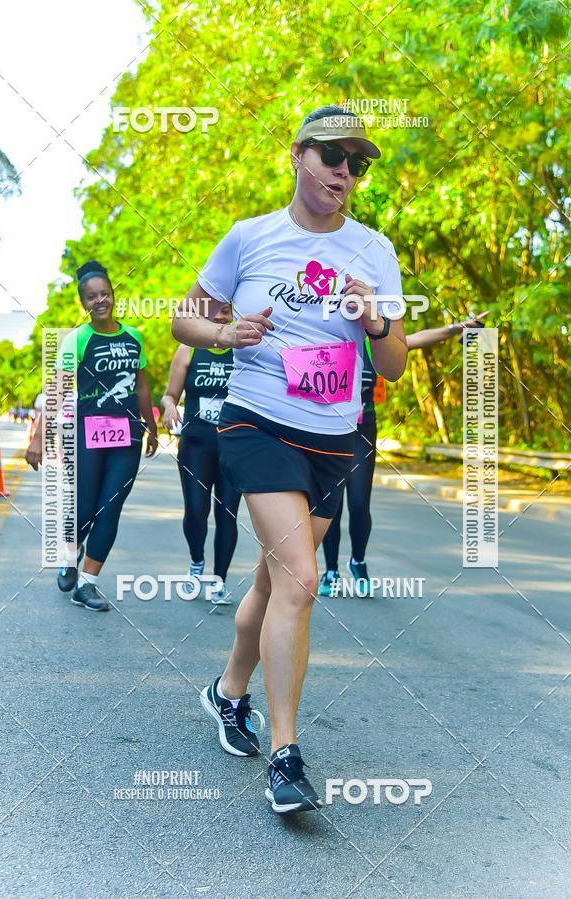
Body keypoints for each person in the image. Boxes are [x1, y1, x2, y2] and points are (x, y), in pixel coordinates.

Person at [172, 105, 407, 814]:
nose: (345, 172)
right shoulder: (250, 238)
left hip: (333, 440)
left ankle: (226, 692)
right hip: (258, 424)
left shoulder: (375, 250)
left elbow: (392, 363)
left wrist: (376, 322)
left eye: (358, 164)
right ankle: (285, 755)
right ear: (299, 154)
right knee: (303, 578)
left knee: (275, 584)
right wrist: (224, 331)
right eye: (334, 156)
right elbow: (184, 317)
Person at [319, 313, 489, 596]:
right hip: (328, 430)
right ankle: (331, 571)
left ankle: (358, 562)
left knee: (359, 504)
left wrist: (458, 328)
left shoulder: (376, 344)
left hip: (362, 431)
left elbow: (414, 340)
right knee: (332, 506)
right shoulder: (328, 341)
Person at [25, 260, 157, 611]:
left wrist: (152, 426)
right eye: (92, 297)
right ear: (84, 302)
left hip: (127, 435)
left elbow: (141, 385)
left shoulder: (134, 338)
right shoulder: (77, 340)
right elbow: (55, 390)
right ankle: (71, 555)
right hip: (89, 435)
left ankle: (88, 583)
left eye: (105, 294)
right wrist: (38, 438)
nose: (100, 301)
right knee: (85, 506)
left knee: (111, 507)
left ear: (114, 295)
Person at [162, 302, 239, 606]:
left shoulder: (244, 350)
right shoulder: (188, 348)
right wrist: (169, 407)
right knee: (196, 510)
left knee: (227, 513)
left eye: (226, 311)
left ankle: (219, 580)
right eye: (214, 311)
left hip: (233, 446)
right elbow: (170, 394)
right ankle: (197, 564)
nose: (220, 316)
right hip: (196, 444)